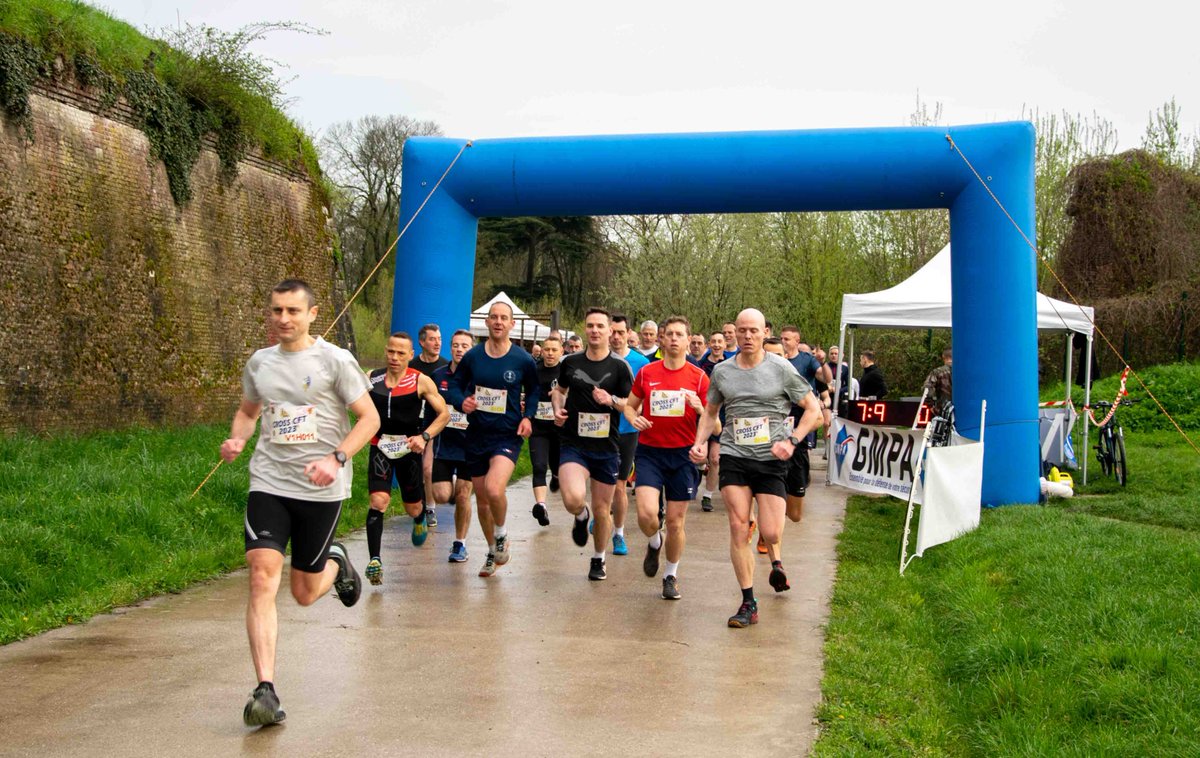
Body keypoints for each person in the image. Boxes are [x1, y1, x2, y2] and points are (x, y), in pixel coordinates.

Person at [220, 279, 379, 726]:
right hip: (269, 482)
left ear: (312, 314)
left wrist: (337, 456)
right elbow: (248, 413)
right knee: (261, 576)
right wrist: (237, 439)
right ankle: (265, 690)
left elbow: (370, 418)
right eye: (276, 311)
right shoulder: (259, 363)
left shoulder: (334, 361)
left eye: (293, 311)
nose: (283, 320)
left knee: (304, 593)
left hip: (321, 489)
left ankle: (337, 564)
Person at [691, 308, 822, 628]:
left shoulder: (781, 369)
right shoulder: (722, 371)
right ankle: (748, 601)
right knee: (738, 526)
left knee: (772, 530)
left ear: (765, 333)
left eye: (754, 331)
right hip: (734, 455)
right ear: (734, 332)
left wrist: (791, 441)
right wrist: (699, 442)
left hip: (772, 458)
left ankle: (775, 561)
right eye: (742, 330)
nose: (747, 336)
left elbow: (813, 410)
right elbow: (710, 412)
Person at [448, 301, 540, 577]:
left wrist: (529, 417)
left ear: (512, 324)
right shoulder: (473, 357)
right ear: (486, 323)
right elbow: (454, 384)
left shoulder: (522, 359)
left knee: (493, 488)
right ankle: (491, 551)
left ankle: (501, 534)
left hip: (507, 434)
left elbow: (534, 390)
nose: (498, 322)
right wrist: (461, 401)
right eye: (493, 317)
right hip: (477, 434)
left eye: (504, 318)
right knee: (483, 501)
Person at [624, 316, 711, 600]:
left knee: (675, 522)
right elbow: (628, 407)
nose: (673, 339)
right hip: (650, 452)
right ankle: (653, 540)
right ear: (661, 340)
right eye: (668, 334)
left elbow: (716, 424)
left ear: (688, 340)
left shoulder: (699, 377)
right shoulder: (648, 372)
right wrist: (634, 418)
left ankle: (671, 575)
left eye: (679, 335)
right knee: (647, 514)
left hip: (683, 455)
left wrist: (700, 409)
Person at [551, 308, 634, 581]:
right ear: (585, 329)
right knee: (572, 497)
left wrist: (610, 400)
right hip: (574, 442)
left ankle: (599, 558)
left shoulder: (620, 367)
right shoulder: (571, 361)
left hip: (606, 447)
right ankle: (579, 514)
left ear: (611, 331)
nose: (595, 330)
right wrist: (557, 408)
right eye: (590, 326)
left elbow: (633, 406)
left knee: (603, 508)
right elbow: (559, 390)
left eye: (600, 326)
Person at [363, 332, 451, 584]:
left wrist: (424, 436)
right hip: (380, 445)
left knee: (412, 507)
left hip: (408, 448)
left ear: (411, 355)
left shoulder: (420, 381)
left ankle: (420, 516)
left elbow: (443, 414)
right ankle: (375, 561)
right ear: (386, 350)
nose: (394, 357)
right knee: (378, 501)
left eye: (401, 353)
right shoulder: (371, 378)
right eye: (391, 351)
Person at [431, 330, 476, 563]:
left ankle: (460, 544)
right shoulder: (438, 376)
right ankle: (448, 498)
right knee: (441, 495)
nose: (459, 349)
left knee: (463, 495)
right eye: (456, 345)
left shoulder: (479, 376)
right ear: (450, 348)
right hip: (444, 446)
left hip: (470, 447)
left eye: (465, 346)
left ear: (472, 349)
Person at [609, 313, 650, 555]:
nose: (615, 337)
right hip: (599, 430)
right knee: (601, 484)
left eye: (620, 332)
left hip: (627, 430)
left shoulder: (641, 363)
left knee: (619, 485)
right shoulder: (598, 359)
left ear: (628, 334)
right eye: (612, 332)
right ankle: (602, 514)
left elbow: (644, 400)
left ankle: (619, 534)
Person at [411, 324, 448, 528]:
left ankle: (430, 508)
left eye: (439, 339)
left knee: (427, 467)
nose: (437, 343)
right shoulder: (411, 366)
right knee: (413, 468)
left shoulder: (444, 366)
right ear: (422, 342)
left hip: (433, 425)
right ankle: (417, 503)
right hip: (411, 422)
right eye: (433, 339)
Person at [530, 335, 565, 526]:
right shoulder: (534, 371)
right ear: (541, 351)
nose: (550, 353)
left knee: (557, 464)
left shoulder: (566, 372)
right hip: (538, 427)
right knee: (539, 466)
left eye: (554, 350)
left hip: (560, 428)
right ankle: (541, 505)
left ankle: (557, 476)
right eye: (547, 349)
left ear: (562, 351)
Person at [698, 331, 728, 511]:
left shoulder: (730, 365)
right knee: (699, 456)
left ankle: (707, 496)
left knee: (715, 459)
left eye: (720, 342)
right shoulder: (700, 365)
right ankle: (697, 471)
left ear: (725, 344)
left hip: (722, 418)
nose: (716, 345)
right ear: (709, 344)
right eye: (713, 341)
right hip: (700, 416)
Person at [924, 347, 953, 411]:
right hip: (963, 411)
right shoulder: (963, 372)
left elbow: (927, 389)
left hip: (944, 411)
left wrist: (931, 407)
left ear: (943, 357)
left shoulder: (937, 372)